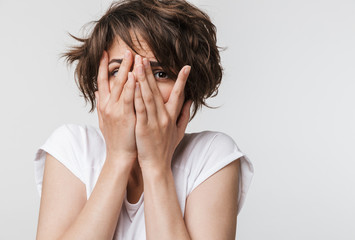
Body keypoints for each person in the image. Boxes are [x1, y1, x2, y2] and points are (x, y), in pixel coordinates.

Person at [33, 0, 254, 239]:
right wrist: (119, 158)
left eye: (159, 73)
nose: (136, 86)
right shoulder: (72, 148)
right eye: (118, 71)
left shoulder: (212, 156)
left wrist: (156, 166)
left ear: (187, 89)